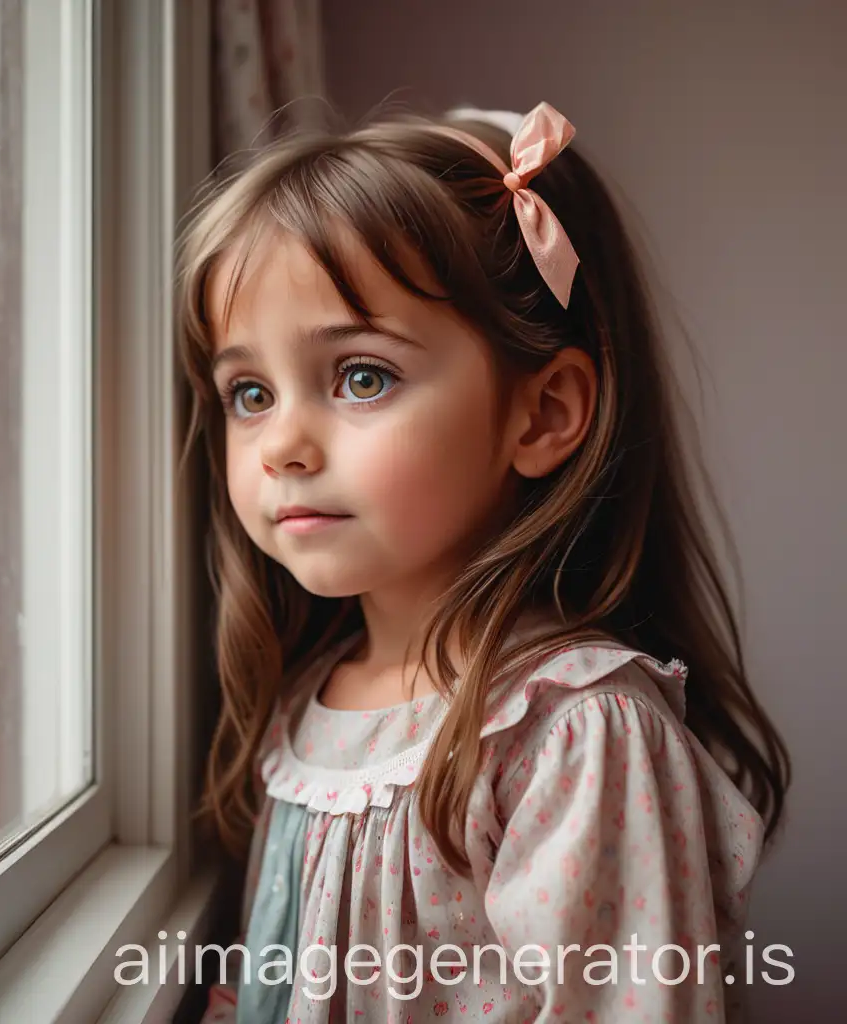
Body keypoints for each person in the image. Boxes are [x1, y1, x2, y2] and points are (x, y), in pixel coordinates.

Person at [176, 100, 790, 1022]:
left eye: (361, 376)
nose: (282, 446)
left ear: (541, 415)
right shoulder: (307, 708)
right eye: (250, 392)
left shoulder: (573, 736)